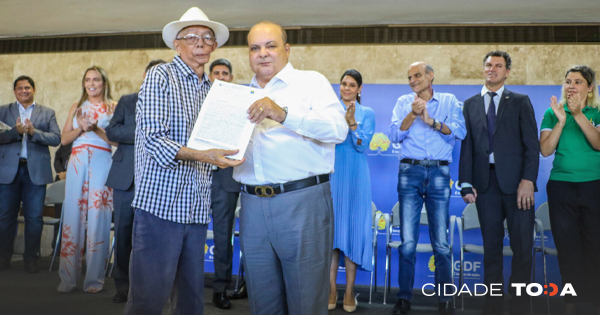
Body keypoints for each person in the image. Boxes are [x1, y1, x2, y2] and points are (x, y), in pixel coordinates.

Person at [124, 7, 242, 315]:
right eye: (192, 36)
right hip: (160, 208)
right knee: (148, 299)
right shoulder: (159, 76)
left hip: (197, 209)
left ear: (214, 46)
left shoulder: (214, 92)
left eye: (207, 37)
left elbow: (221, 145)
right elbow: (151, 139)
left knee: (191, 302)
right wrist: (205, 155)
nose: (200, 42)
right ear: (177, 44)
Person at [233, 21, 347, 315]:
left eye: (270, 46)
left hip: (302, 203)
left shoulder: (312, 83)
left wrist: (284, 114)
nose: (263, 54)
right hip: (251, 206)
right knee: (262, 302)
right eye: (255, 48)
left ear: (287, 49)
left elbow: (338, 130)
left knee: (306, 302)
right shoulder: (237, 95)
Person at [459, 51, 539, 315]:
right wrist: (465, 183)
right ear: (483, 69)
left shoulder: (520, 100)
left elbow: (531, 145)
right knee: (491, 251)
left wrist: (528, 180)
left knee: (523, 250)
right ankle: (492, 307)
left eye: (498, 66)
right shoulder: (470, 104)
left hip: (518, 186)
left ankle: (519, 307)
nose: (492, 69)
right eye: (488, 65)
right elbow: (467, 146)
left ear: (507, 72)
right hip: (485, 185)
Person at [388, 62, 465, 315]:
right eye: (409, 76)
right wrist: (412, 114)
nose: (412, 80)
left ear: (431, 76)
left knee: (441, 244)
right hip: (410, 172)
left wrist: (430, 120)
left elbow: (460, 132)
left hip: (440, 173)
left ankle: (445, 301)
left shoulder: (449, 100)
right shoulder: (402, 102)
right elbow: (393, 136)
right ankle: (404, 299)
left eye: (417, 75)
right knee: (408, 243)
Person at [539, 65, 600, 315]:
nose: (571, 86)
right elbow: (545, 150)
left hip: (594, 186)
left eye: (577, 81)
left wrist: (578, 116)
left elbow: (597, 144)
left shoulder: (597, 111)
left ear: (590, 87)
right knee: (567, 249)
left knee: (596, 246)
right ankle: (570, 306)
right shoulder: (552, 113)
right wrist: (562, 121)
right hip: (561, 188)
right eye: (567, 81)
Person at [104, 59, 166, 303]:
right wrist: (143, 134)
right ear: (144, 75)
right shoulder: (128, 100)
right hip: (125, 180)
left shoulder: (168, 103)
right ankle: (122, 285)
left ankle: (151, 287)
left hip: (158, 180)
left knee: (155, 236)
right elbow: (112, 131)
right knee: (123, 234)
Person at [57, 66, 116, 293]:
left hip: (102, 159)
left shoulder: (113, 106)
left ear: (104, 82)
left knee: (98, 217)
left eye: (97, 79)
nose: (92, 83)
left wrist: (96, 129)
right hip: (78, 159)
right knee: (72, 215)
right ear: (84, 83)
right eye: (88, 79)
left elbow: (117, 142)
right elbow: (64, 139)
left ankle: (94, 280)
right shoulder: (76, 106)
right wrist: (81, 129)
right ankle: (68, 279)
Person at [0, 76, 61, 273]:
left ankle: (31, 259)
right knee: (5, 216)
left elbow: (56, 138)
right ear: (14, 91)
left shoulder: (47, 113)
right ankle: (3, 258)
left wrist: (35, 133)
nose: (24, 91)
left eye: (27, 88)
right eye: (20, 88)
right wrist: (15, 133)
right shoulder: (3, 111)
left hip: (35, 172)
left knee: (34, 217)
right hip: (8, 171)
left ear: (34, 89)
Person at [328, 69, 375, 313]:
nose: (347, 88)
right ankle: (331, 289)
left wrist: (353, 123)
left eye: (352, 84)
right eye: (344, 83)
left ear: (360, 89)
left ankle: (348, 292)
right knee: (332, 235)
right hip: (333, 174)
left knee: (353, 233)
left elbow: (362, 145)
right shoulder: (329, 110)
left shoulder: (367, 113)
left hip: (356, 176)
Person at [207, 58, 245, 310]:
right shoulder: (194, 100)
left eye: (225, 73)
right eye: (216, 73)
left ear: (231, 78)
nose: (220, 76)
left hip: (224, 178)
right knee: (184, 235)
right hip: (192, 176)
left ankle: (220, 289)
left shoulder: (239, 105)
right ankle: (179, 285)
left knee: (223, 237)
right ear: (209, 76)